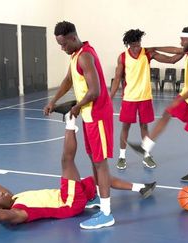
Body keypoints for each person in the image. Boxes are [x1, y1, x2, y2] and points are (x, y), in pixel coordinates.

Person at [0, 109, 156, 224]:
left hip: (69, 195)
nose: (1, 192)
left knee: (100, 179)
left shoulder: (14, 198)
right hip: (68, 202)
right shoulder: (18, 212)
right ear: (0, 208)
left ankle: (141, 188)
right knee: (67, 161)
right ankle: (70, 119)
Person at [43, 21, 116, 229]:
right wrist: (53, 101)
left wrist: (77, 107)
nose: (62, 48)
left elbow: (95, 91)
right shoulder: (75, 55)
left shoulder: (85, 55)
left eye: (63, 44)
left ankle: (107, 213)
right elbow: (68, 80)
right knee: (93, 157)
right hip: (90, 115)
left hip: (98, 115)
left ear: (73, 38)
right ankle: (100, 199)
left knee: (100, 162)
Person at [128, 26, 188, 182]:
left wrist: (180, 99)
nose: (181, 42)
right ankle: (146, 147)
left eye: (183, 39)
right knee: (167, 112)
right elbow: (173, 53)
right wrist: (154, 49)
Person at [110, 29, 184, 170]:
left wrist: (185, 51)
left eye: (138, 45)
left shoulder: (148, 53)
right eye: (133, 46)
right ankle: (121, 157)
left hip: (145, 97)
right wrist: (110, 97)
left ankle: (146, 155)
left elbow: (172, 60)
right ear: (128, 45)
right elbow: (117, 79)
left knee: (144, 126)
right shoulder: (122, 57)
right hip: (129, 98)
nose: (137, 48)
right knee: (125, 127)